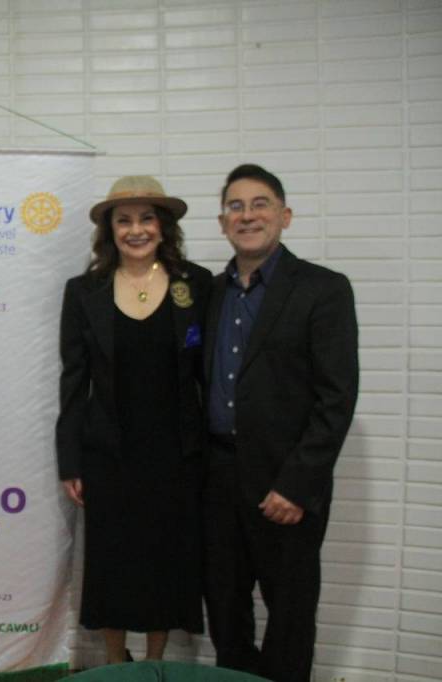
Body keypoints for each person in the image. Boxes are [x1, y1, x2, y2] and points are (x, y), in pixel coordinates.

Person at [203, 164, 359, 681]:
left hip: (284, 485)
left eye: (260, 204)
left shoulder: (323, 289)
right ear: (223, 222)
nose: (247, 215)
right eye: (235, 206)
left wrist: (297, 485)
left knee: (289, 617)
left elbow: (336, 397)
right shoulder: (209, 293)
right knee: (225, 612)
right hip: (217, 480)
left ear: (284, 216)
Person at [56, 176, 211, 663]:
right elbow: (74, 380)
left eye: (146, 218)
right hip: (109, 454)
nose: (136, 229)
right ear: (110, 231)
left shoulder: (196, 285)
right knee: (112, 563)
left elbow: (208, 374)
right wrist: (70, 460)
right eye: (124, 221)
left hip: (176, 455)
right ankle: (114, 663)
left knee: (166, 561)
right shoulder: (85, 291)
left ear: (163, 227)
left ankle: (155, 662)